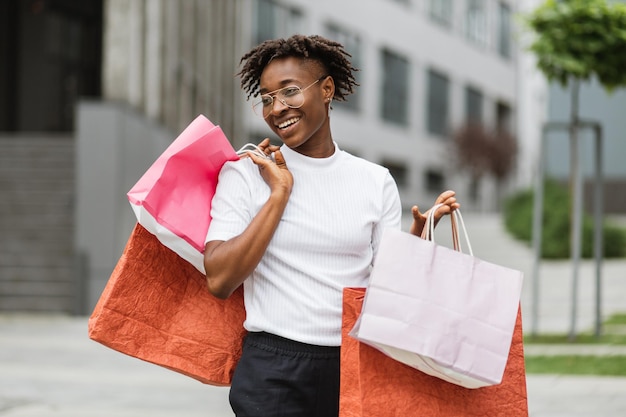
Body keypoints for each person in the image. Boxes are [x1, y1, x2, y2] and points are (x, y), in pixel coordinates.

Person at [203, 34, 459, 417]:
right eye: (268, 99)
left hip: (355, 364)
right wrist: (278, 196)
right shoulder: (246, 173)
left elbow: (386, 295)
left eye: (289, 91)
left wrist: (416, 243)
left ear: (326, 89)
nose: (277, 108)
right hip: (273, 368)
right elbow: (220, 279)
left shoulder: (374, 181)